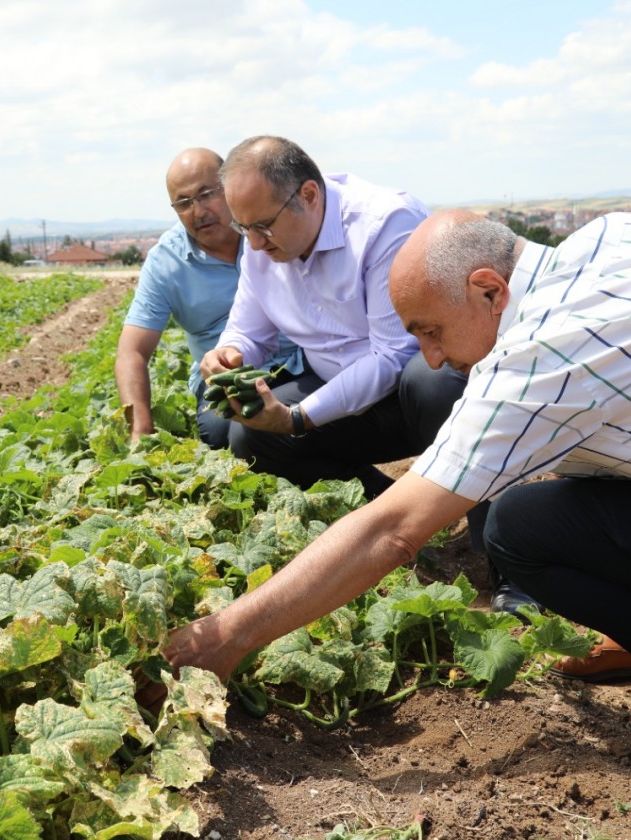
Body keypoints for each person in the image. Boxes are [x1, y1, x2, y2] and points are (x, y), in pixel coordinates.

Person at [161, 208, 631, 753]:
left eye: (431, 331)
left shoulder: (550, 353)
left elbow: (393, 531)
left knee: (521, 530)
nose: (431, 359)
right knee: (580, 494)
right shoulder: (625, 234)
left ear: (490, 289)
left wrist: (227, 635)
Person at [202, 136, 535, 617]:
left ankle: (510, 566)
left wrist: (298, 416)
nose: (252, 243)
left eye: (263, 226)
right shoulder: (261, 245)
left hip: (407, 392)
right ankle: (391, 507)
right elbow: (247, 328)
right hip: (337, 393)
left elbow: (393, 354)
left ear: (310, 196)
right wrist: (229, 353)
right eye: (244, 227)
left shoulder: (383, 223)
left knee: (438, 383)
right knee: (249, 438)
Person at [115, 147, 300, 448]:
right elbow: (131, 353)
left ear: (229, 186)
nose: (198, 211)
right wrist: (140, 430)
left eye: (206, 194)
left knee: (269, 432)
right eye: (184, 202)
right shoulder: (166, 262)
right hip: (225, 378)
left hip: (300, 361)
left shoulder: (268, 226)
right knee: (222, 432)